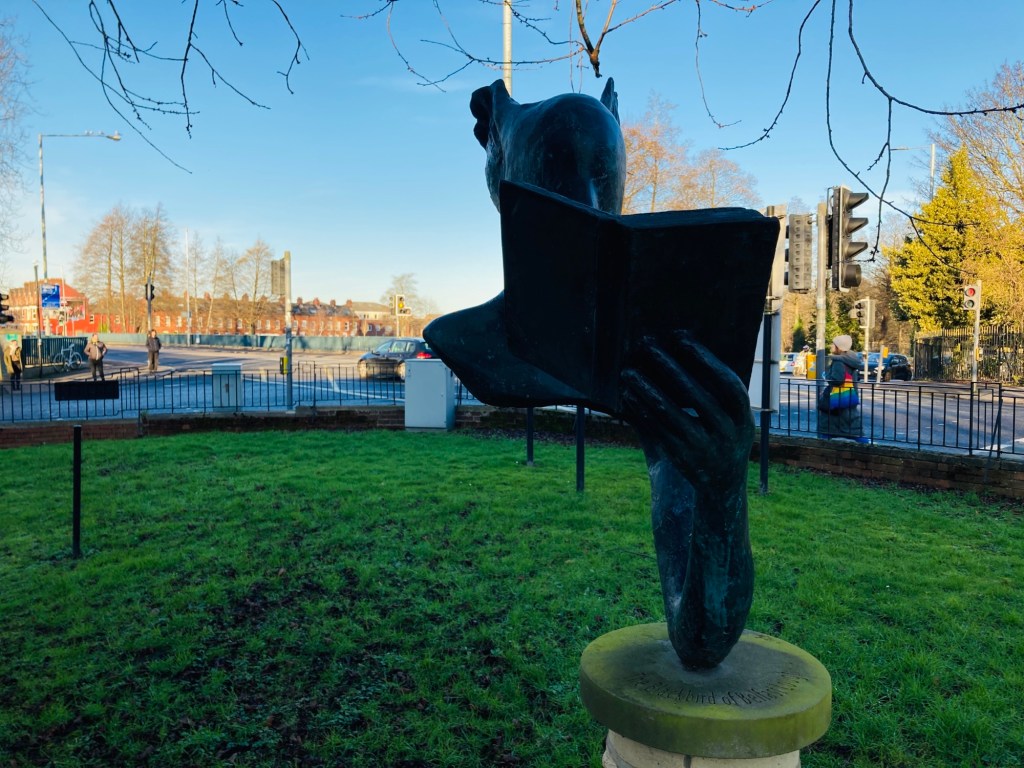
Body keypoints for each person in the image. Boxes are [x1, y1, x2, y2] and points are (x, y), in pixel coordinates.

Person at [817, 334, 866, 442]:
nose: (831, 346)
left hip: (835, 398)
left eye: (833, 344)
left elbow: (837, 380)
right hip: (848, 396)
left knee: (827, 429)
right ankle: (866, 445)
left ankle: (822, 447)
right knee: (853, 428)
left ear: (838, 347)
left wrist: (826, 375)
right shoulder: (851, 359)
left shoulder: (838, 361)